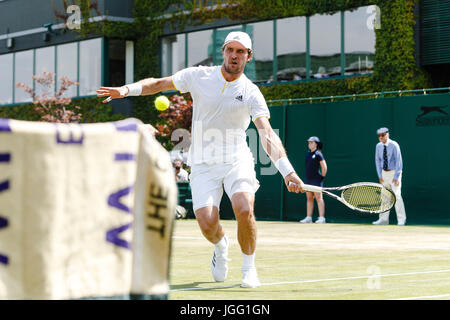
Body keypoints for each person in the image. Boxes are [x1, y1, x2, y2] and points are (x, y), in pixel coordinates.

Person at [96, 31, 305, 288]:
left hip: (236, 161)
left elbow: (266, 133)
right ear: (224, 52)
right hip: (203, 164)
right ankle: (220, 245)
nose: (234, 55)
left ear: (248, 57)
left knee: (244, 208)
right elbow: (159, 84)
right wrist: (126, 90)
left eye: (241, 51)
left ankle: (248, 269)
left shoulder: (251, 92)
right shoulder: (198, 76)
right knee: (207, 224)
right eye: (230, 49)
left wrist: (287, 171)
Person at [373, 127, 407, 226]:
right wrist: (380, 175)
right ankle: (383, 220)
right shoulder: (378, 146)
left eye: (382, 135)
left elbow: (399, 161)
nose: (380, 137)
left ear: (387, 135)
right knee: (384, 197)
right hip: (384, 174)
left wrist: (396, 176)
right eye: (379, 136)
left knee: (397, 196)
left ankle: (401, 220)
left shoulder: (394, 145)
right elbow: (377, 161)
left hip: (394, 173)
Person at [299, 136, 327, 224]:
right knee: (309, 198)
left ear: (316, 144)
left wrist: (322, 177)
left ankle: (322, 218)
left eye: (311, 142)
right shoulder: (308, 154)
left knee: (319, 198)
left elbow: (324, 167)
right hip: (308, 180)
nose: (309, 144)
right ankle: (309, 218)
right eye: (309, 142)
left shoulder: (318, 154)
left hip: (316, 180)